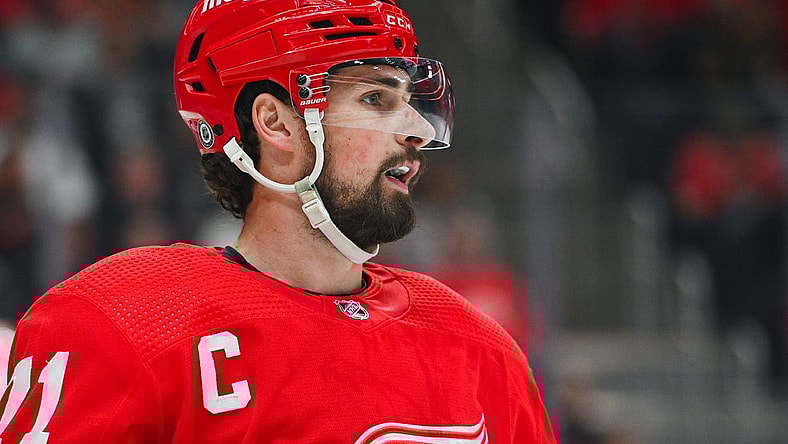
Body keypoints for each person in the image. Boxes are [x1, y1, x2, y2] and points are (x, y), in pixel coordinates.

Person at [0, 1, 555, 442]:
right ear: (276, 123)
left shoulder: (478, 348)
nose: (412, 129)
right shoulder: (131, 324)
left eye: (408, 101)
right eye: (374, 98)